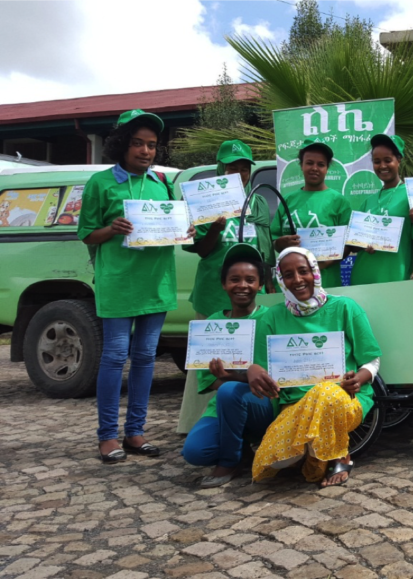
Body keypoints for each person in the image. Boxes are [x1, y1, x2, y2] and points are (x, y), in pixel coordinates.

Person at [78, 109, 179, 463]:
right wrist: (112, 229)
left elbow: (172, 226)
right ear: (122, 144)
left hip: (156, 283)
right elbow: (86, 233)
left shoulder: (162, 184)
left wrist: (185, 229)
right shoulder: (101, 183)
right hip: (118, 283)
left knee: (146, 358)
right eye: (138, 143)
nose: (146, 151)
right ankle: (107, 435)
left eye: (151, 145)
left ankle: (135, 432)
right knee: (115, 356)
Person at [247, 248, 382, 487]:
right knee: (274, 462)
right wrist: (253, 369)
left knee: (324, 391)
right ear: (281, 280)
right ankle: (312, 449)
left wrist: (359, 380)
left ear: (315, 272)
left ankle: (341, 456)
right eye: (288, 275)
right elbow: (261, 365)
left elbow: (372, 360)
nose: (297, 280)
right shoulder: (273, 317)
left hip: (343, 400)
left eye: (303, 271)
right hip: (295, 405)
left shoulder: (345, 307)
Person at [177, 139, 273, 435]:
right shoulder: (206, 201)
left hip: (250, 295)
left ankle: (243, 421)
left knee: (247, 360)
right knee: (207, 362)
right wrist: (215, 230)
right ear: (222, 168)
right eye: (233, 167)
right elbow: (202, 250)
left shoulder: (256, 201)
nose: (239, 173)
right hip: (214, 293)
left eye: (244, 168)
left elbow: (264, 246)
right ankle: (197, 424)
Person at [180, 244, 274, 487]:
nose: (242, 285)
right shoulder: (213, 323)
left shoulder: (273, 318)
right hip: (223, 405)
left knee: (229, 390)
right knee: (195, 452)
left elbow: (279, 376)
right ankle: (243, 449)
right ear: (223, 284)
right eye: (234, 279)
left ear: (260, 285)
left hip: (263, 405)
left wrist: (238, 377)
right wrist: (245, 375)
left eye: (250, 280)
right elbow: (210, 382)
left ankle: (228, 463)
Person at [272, 139, 352, 288]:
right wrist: (281, 243)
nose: (314, 168)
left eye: (321, 164)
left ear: (327, 168)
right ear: (301, 165)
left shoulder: (339, 202)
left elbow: (349, 243)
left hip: (325, 282)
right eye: (309, 163)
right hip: (291, 284)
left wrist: (329, 262)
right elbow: (275, 241)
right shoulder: (288, 200)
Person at [349, 134, 413, 284]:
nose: (382, 166)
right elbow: (354, 244)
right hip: (362, 277)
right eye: (377, 162)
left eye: (387, 160)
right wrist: (363, 244)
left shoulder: (411, 195)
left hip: (396, 276)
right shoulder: (367, 202)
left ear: (399, 160)